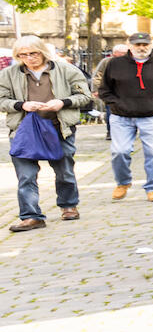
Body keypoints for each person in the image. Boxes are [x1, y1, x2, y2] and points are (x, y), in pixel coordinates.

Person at [4, 37, 94, 231]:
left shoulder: (66, 69)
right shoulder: (8, 74)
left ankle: (68, 205)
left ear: (42, 51)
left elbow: (85, 95)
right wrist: (21, 105)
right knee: (26, 175)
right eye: (23, 55)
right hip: (24, 131)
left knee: (64, 171)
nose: (29, 58)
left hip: (59, 128)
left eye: (33, 53)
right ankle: (31, 216)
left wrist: (63, 102)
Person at [94, 31, 153, 200]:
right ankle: (123, 182)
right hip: (121, 116)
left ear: (151, 45)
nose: (141, 48)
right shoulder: (115, 64)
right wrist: (115, 103)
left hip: (152, 115)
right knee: (119, 151)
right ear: (130, 45)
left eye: (145, 44)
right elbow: (104, 89)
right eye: (137, 44)